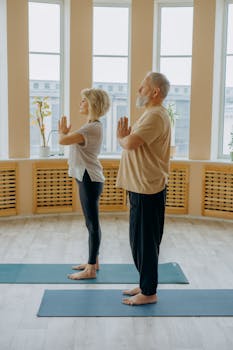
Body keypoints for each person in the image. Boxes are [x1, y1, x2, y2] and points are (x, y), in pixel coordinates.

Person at [116, 72, 171, 305]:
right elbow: (134, 142)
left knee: (145, 242)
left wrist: (121, 137)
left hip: (147, 188)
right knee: (139, 240)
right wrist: (126, 138)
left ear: (155, 92)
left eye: (143, 86)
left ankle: (149, 292)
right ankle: (144, 282)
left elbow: (130, 143)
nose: (139, 89)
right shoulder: (150, 114)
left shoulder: (156, 116)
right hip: (141, 187)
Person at [59, 88, 110, 280]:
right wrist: (65, 133)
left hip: (89, 178)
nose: (80, 103)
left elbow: (64, 140)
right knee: (91, 223)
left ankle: (90, 268)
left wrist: (63, 131)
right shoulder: (91, 126)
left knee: (92, 223)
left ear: (92, 104)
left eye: (83, 100)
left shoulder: (91, 128)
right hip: (87, 177)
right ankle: (93, 261)